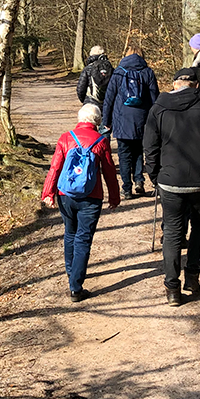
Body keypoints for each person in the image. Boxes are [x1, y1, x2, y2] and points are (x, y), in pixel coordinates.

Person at [143, 68, 200, 307]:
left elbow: (149, 146)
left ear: (174, 84)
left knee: (171, 233)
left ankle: (172, 288)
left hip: (170, 182)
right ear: (195, 85)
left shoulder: (159, 108)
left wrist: (154, 175)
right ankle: (192, 277)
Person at [41, 104, 120, 302]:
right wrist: (114, 196)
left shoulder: (66, 138)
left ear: (79, 119)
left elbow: (55, 167)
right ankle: (76, 287)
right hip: (91, 197)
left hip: (65, 195)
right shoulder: (101, 141)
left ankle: (72, 272)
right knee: (83, 238)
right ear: (98, 121)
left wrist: (48, 193)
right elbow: (109, 172)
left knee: (70, 232)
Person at [102, 44, 159, 199]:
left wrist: (106, 121)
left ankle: (126, 188)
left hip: (122, 119)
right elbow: (155, 98)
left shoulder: (119, 72)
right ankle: (139, 180)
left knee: (124, 154)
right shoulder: (148, 72)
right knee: (139, 151)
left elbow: (109, 98)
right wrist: (157, 119)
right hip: (143, 118)